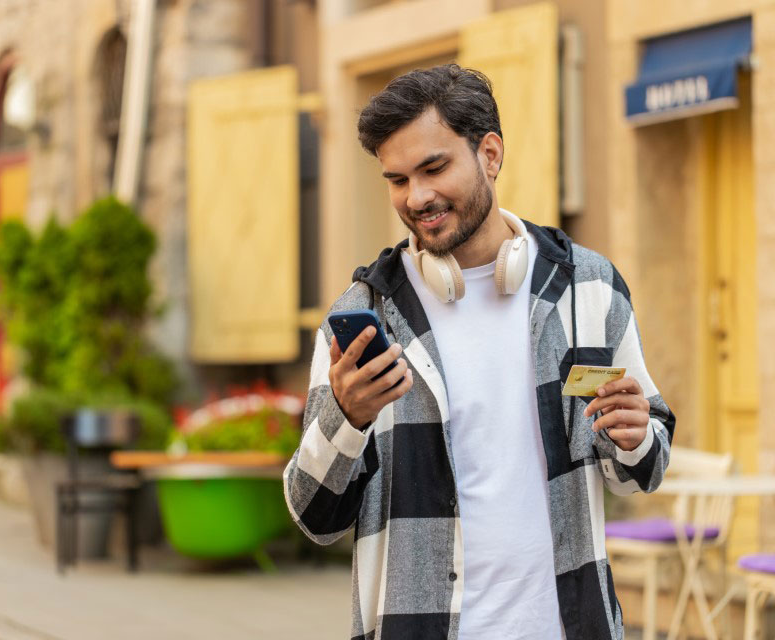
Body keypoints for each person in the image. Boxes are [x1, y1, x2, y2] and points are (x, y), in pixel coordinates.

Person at [282, 64, 675, 640]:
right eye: (397, 179)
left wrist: (635, 435)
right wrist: (347, 416)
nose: (417, 197)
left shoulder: (588, 288)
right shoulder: (368, 312)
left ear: (489, 154)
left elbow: (641, 469)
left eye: (434, 168)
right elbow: (313, 517)